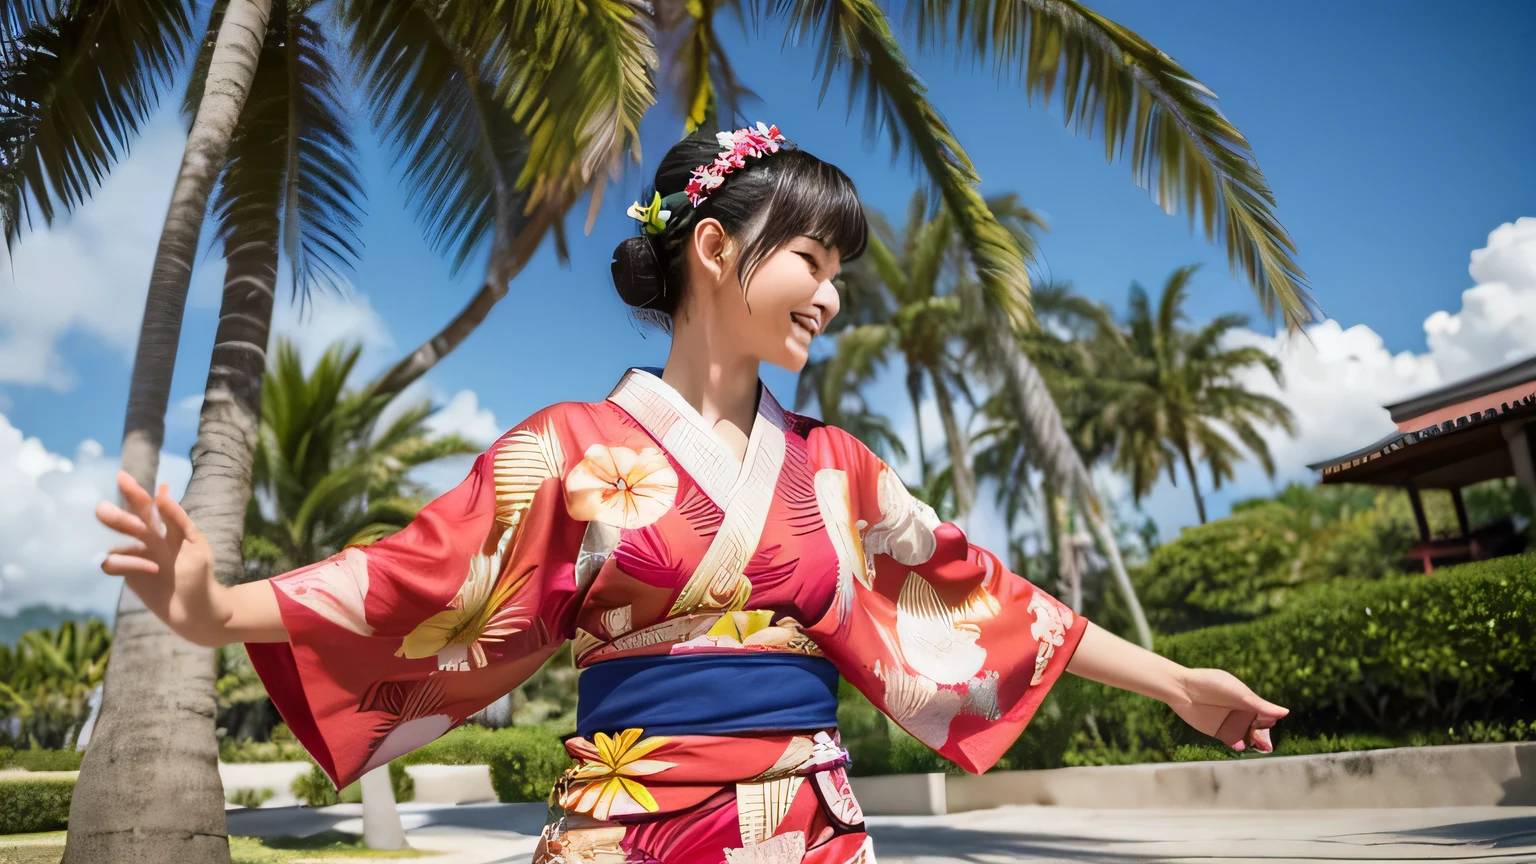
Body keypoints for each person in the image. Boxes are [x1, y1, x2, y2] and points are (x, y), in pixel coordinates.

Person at [96, 124, 1288, 864]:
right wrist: (213, 614)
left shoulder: (840, 469)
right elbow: (422, 576)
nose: (830, 295)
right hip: (627, 829)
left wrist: (1178, 682)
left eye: (839, 273)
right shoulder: (568, 448)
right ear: (717, 250)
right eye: (812, 262)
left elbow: (992, 601)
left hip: (813, 830)